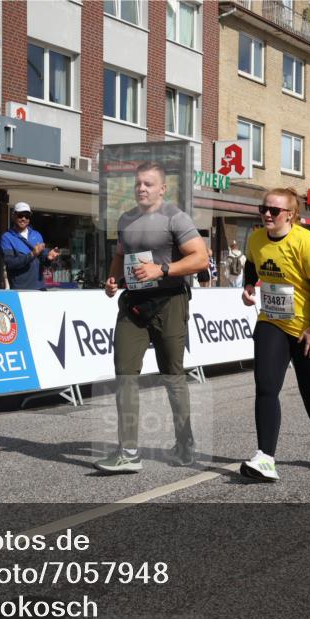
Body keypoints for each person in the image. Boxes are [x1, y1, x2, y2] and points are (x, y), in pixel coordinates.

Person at [95, 161, 209, 474]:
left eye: (148, 184)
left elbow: (201, 258)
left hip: (169, 302)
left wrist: (163, 269)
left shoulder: (175, 218)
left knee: (172, 376)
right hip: (134, 304)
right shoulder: (126, 219)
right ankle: (129, 451)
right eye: (138, 184)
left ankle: (184, 445)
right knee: (124, 373)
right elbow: (120, 255)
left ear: (162, 188)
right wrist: (113, 280)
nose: (141, 189)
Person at [240, 187, 310, 482]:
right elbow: (252, 263)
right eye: (263, 209)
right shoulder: (256, 238)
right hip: (272, 322)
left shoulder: (306, 242)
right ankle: (266, 458)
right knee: (266, 386)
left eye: (274, 210)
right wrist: (249, 286)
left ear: (291, 214)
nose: (267, 215)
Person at [0, 202, 60, 290]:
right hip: (20, 289)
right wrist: (32, 254)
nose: (23, 218)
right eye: (20, 215)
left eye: (27, 216)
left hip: (40, 287)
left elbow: (43, 259)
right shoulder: (7, 237)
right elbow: (10, 263)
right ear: (13, 216)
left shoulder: (36, 235)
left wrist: (49, 257)